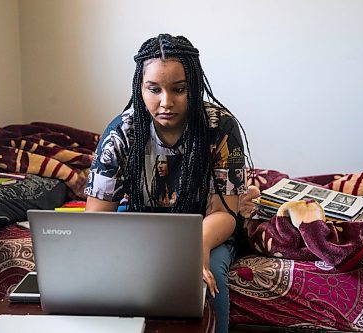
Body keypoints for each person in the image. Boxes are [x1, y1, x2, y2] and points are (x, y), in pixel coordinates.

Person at [84, 33, 252, 333]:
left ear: (194, 87)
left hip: (205, 227)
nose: (166, 102)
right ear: (140, 87)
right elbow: (97, 219)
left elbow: (225, 213)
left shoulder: (219, 128)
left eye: (179, 89)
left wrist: (195, 248)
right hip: (139, 223)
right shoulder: (122, 133)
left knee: (209, 275)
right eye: (154, 89)